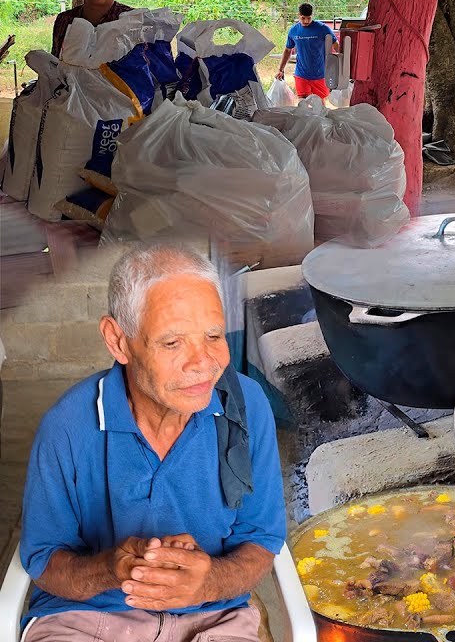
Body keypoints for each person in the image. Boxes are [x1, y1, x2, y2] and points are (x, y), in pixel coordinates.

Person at [19, 243, 286, 641]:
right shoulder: (68, 425)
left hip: (213, 616)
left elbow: (260, 540)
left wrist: (208, 581)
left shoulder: (246, 407)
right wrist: (112, 568)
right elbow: (44, 560)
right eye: (172, 343)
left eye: (213, 334)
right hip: (88, 618)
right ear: (118, 341)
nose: (203, 362)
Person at [276, 3, 339, 100]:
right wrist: (280, 69)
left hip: (320, 74)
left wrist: (342, 64)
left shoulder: (322, 28)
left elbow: (336, 45)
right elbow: (288, 50)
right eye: (303, 18)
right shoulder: (294, 31)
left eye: (309, 18)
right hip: (301, 74)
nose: (306, 21)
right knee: (302, 105)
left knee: (320, 106)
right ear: (299, 16)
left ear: (312, 16)